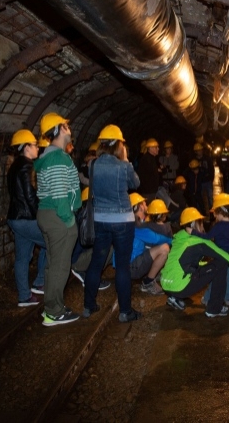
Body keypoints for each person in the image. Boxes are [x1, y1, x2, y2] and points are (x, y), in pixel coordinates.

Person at [83, 124, 142, 323]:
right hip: (123, 222)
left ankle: (88, 306)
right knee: (123, 266)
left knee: (96, 263)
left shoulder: (93, 165)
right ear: (119, 145)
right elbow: (136, 184)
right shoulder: (123, 166)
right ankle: (125, 311)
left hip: (100, 220)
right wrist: (126, 160)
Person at [35, 113, 82, 326]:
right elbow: (60, 193)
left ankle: (53, 307)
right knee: (59, 266)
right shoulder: (57, 158)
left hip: (48, 214)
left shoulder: (50, 156)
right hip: (58, 216)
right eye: (67, 125)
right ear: (61, 129)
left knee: (53, 264)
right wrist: (69, 221)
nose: (69, 129)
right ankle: (54, 312)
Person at [161, 208, 229, 318]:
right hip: (179, 287)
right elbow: (224, 255)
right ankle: (214, 309)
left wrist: (206, 267)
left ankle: (174, 298)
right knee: (221, 263)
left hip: (165, 284)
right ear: (195, 223)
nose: (202, 225)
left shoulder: (179, 237)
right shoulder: (200, 241)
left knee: (187, 270)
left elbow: (185, 263)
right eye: (200, 222)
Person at [6, 129, 47, 307]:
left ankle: (24, 296)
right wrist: (41, 216)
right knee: (53, 242)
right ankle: (40, 281)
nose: (37, 147)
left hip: (16, 218)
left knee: (22, 257)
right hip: (27, 218)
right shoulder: (27, 166)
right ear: (26, 147)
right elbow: (30, 195)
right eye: (35, 145)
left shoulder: (14, 166)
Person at [196, 193, 229, 307]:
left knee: (214, 276)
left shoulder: (219, 226)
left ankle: (207, 298)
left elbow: (207, 237)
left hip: (221, 256)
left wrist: (195, 233)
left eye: (215, 213)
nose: (214, 215)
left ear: (220, 212)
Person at [124, 193, 170, 296]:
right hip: (131, 268)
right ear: (140, 207)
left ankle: (154, 272)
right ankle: (148, 283)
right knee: (164, 248)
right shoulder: (136, 226)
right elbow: (156, 238)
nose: (147, 206)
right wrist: (173, 240)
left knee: (154, 245)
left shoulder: (132, 221)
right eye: (144, 204)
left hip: (127, 265)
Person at [69, 187, 112, 291]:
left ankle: (87, 271)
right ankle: (91, 278)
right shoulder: (89, 218)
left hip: (75, 256)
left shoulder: (80, 214)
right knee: (108, 246)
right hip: (77, 260)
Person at [193, 142, 214, 214]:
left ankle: (211, 213)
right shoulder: (194, 160)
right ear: (195, 151)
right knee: (200, 198)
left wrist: (211, 178)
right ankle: (201, 212)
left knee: (210, 198)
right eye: (198, 150)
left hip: (207, 181)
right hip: (200, 182)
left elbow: (211, 168)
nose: (200, 151)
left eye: (201, 150)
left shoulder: (207, 158)